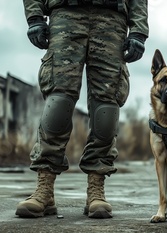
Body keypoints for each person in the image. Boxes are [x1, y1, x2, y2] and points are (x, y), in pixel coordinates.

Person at [16, 0, 148, 219]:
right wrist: (35, 16)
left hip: (111, 19)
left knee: (106, 108)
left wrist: (139, 30)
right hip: (65, 16)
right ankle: (44, 189)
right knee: (58, 103)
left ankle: (96, 190)